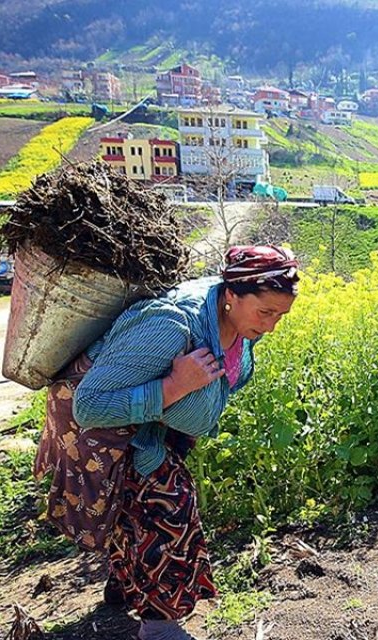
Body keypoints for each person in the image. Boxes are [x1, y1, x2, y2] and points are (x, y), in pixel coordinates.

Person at [71, 245, 298, 640]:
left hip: (163, 436)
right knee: (170, 514)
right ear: (231, 295)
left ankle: (125, 588)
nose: (273, 326)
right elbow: (88, 407)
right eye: (266, 312)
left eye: (281, 315)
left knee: (137, 518)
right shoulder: (172, 325)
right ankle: (159, 628)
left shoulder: (242, 326)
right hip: (122, 441)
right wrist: (173, 387)